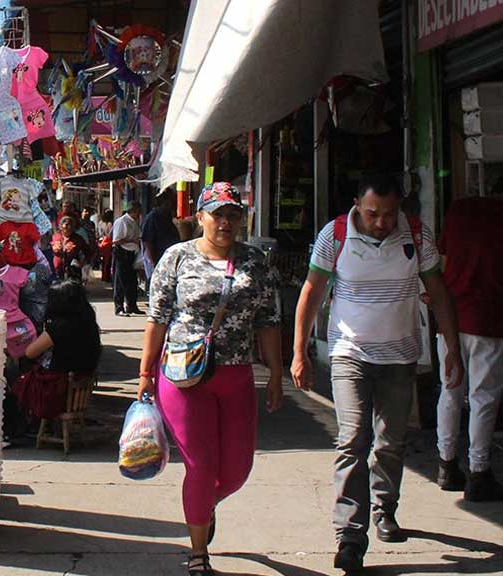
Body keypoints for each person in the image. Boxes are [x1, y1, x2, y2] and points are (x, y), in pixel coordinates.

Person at [291, 174, 462, 573]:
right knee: (352, 440)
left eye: (388, 214)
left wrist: (451, 347)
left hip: (400, 357)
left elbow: (438, 290)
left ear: (400, 208)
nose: (381, 222)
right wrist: (298, 352)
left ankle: (384, 509)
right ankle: (350, 536)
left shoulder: (417, 235)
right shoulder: (334, 235)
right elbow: (312, 292)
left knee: (390, 442)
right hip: (350, 355)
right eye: (372, 214)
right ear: (356, 204)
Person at [138, 182, 282, 576]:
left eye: (232, 215)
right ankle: (199, 551)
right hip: (184, 376)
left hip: (237, 374)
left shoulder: (256, 262)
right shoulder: (176, 258)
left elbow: (269, 320)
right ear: (199, 217)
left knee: (236, 470)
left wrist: (275, 374)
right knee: (200, 465)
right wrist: (145, 373)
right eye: (217, 214)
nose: (224, 222)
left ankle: (204, 505)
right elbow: (157, 318)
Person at [434, 196, 503, 501]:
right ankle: (479, 471)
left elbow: (442, 261)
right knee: (483, 397)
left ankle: (446, 464)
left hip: (450, 314)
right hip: (488, 317)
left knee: (450, 390)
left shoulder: (458, 210)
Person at [14, 279, 102, 420]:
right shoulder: (89, 323)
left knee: (16, 373)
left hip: (57, 391)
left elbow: (30, 352)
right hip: (80, 386)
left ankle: (23, 422)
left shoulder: (59, 326)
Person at [112, 202, 143, 316]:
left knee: (132, 280)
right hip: (121, 252)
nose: (140, 213)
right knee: (120, 280)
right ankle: (119, 307)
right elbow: (116, 240)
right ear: (133, 211)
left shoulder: (134, 222)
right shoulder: (122, 222)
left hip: (132, 252)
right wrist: (131, 240)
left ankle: (132, 305)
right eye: (138, 211)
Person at [142, 190, 181, 268]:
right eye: (171, 201)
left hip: (171, 257)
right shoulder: (153, 217)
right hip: (160, 259)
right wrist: (153, 263)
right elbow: (148, 241)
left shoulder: (167, 216)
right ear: (164, 202)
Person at [51, 215, 93, 282]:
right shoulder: (55, 237)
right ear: (61, 226)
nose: (69, 227)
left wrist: (83, 263)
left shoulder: (78, 239)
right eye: (67, 225)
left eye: (71, 225)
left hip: (73, 271)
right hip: (57, 270)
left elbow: (88, 251)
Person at [97, 209, 115, 283]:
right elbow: (110, 234)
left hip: (102, 242)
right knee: (108, 261)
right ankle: (106, 276)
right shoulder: (110, 224)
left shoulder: (100, 223)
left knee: (104, 261)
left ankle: (104, 276)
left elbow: (98, 232)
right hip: (108, 243)